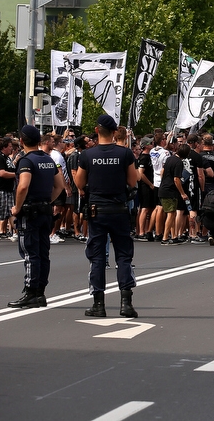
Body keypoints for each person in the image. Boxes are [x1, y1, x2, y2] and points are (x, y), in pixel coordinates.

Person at [74, 114, 139, 318]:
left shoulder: (87, 155)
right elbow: (133, 182)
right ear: (114, 132)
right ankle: (126, 304)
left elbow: (78, 183)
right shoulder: (125, 153)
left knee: (97, 258)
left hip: (97, 210)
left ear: (96, 131)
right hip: (119, 209)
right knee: (124, 256)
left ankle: (98, 304)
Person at [7, 125, 64, 308]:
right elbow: (60, 185)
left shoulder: (26, 161)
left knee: (30, 253)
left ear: (21, 141)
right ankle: (40, 293)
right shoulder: (48, 159)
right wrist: (47, 200)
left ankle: (31, 292)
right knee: (42, 253)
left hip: (30, 212)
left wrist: (17, 207)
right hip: (45, 211)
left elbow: (23, 186)